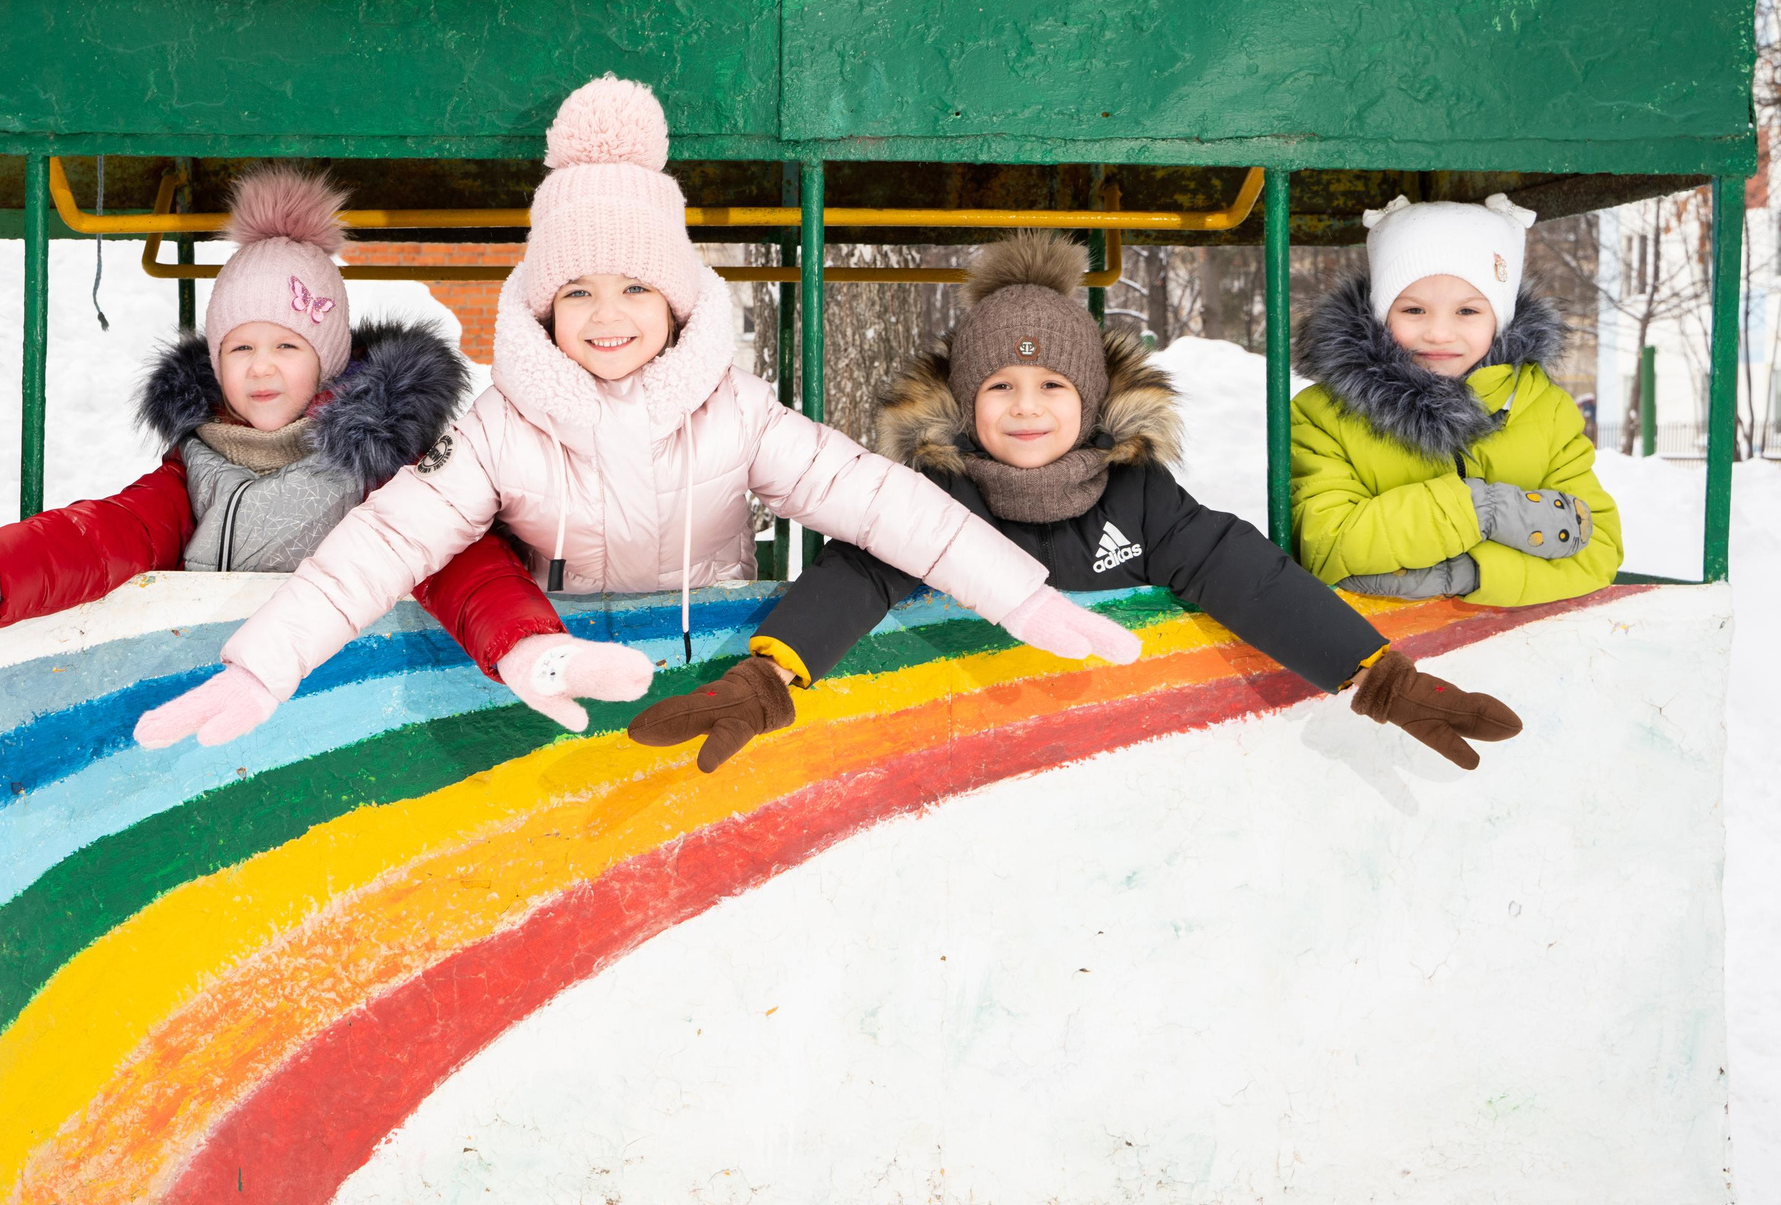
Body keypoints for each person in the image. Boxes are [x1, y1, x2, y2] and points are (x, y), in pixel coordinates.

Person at [129, 76, 1141, 752]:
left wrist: (1021, 594)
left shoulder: (733, 412)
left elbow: (876, 500)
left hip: (708, 689)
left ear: (674, 303)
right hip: (553, 698)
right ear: (543, 307)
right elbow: (385, 539)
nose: (606, 318)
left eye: (632, 291)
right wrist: (265, 663)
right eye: (577, 293)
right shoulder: (500, 427)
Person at [628, 233, 1524, 774]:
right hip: (961, 770)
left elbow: (1244, 572)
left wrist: (1376, 672)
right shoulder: (938, 494)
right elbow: (858, 573)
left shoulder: (1137, 496)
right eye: (1002, 386)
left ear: (1091, 400)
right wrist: (771, 671)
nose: (1026, 408)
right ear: (967, 399)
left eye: (1053, 384)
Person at [0, 165, 633, 731]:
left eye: (286, 347)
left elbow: (462, 566)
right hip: (215, 700)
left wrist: (527, 646)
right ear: (214, 358)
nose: (260, 368)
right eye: (239, 347)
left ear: (326, 357)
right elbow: (103, 533)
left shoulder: (378, 471)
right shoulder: (196, 464)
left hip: (345, 712)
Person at [1291, 195, 1622, 606]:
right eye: (1414, 310)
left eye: (1467, 311)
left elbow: (1598, 549)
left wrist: (1469, 573)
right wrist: (1481, 509)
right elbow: (1328, 544)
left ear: (1499, 317)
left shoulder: (1545, 409)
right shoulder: (1324, 413)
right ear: (1379, 314)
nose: (1439, 333)